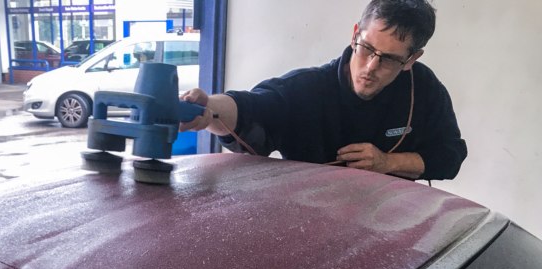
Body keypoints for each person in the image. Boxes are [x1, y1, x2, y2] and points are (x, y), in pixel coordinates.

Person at [180, 0, 466, 180]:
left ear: (412, 59)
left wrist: (386, 162)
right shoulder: (308, 88)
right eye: (366, 48)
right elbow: (253, 107)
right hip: (312, 224)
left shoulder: (425, 89)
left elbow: (450, 156)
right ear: (355, 34)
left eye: (389, 59)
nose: (370, 67)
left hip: (392, 225)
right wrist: (210, 110)